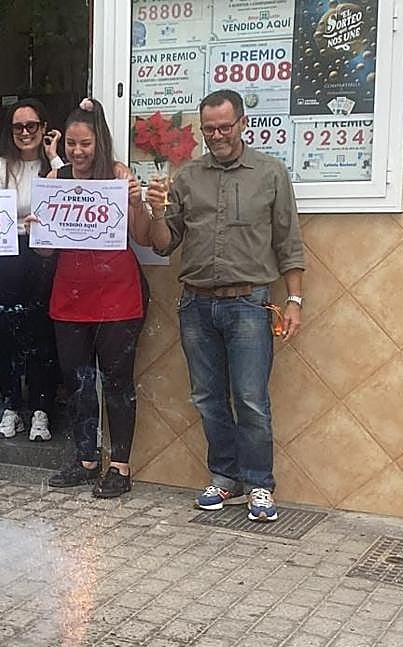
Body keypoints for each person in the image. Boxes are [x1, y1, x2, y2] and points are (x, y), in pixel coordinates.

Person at [146, 88, 304, 522]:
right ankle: (225, 477)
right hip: (196, 306)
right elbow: (163, 245)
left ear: (242, 124)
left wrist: (294, 300)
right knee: (207, 398)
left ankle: (259, 484)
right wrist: (156, 211)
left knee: (251, 399)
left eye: (224, 127)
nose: (217, 135)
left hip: (250, 304)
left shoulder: (270, 173)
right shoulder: (187, 177)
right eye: (209, 129)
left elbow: (288, 242)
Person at [41, 97, 152, 498]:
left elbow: (142, 237)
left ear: (99, 142)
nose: (77, 151)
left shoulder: (119, 175)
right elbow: (45, 252)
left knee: (117, 381)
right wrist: (39, 228)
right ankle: (86, 459)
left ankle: (120, 466)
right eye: (71, 144)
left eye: (85, 143)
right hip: (70, 294)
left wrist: (136, 202)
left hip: (117, 293)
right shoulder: (55, 180)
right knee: (77, 381)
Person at [0, 98, 64, 442]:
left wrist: (54, 155)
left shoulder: (54, 165)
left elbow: (66, 193)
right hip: (3, 258)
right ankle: (11, 406)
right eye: (18, 126)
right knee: (4, 335)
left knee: (43, 333)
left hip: (43, 257)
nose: (25, 132)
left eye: (32, 125)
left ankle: (41, 410)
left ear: (44, 128)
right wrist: (19, 223)